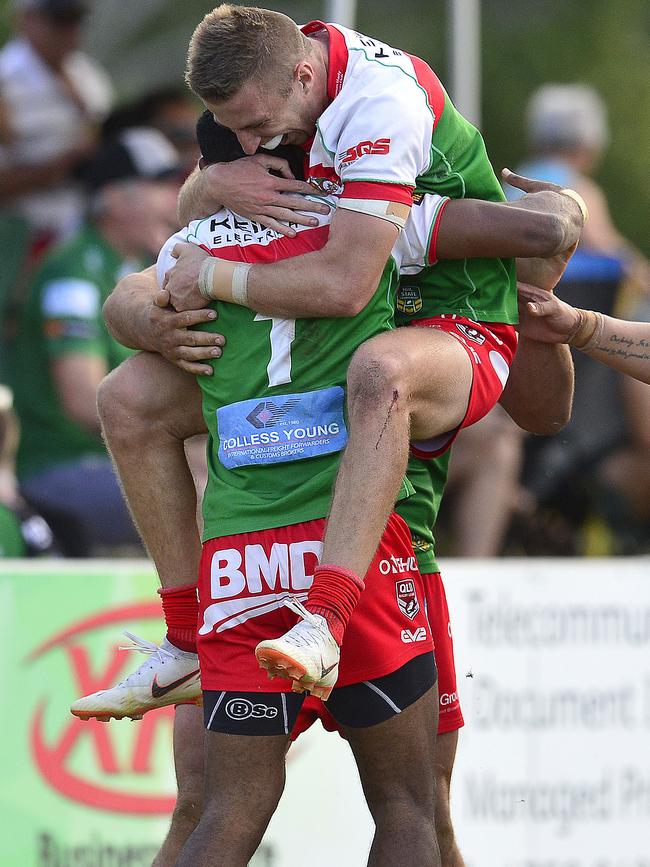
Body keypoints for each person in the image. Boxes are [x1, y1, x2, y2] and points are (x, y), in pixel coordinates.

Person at [72, 116, 579, 866]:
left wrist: (189, 242)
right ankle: (186, 633)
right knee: (410, 809)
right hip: (373, 562)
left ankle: (184, 633)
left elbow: (131, 347)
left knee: (223, 810)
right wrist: (559, 220)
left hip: (247, 564)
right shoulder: (388, 224)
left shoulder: (239, 237)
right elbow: (132, 307)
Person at [159, 6, 589, 693]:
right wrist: (207, 188)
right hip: (355, 325)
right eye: (230, 135)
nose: (242, 148)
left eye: (256, 132)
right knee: (127, 400)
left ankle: (326, 620)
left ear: (305, 82)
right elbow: (146, 277)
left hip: (440, 320)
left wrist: (565, 214)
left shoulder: (379, 120)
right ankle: (184, 636)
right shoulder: (272, 120)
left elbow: (345, 285)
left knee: (381, 373)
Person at [7, 127, 182, 555]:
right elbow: (83, 400)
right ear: (118, 200)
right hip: (63, 466)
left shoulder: (139, 264)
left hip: (116, 457)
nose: (176, 200)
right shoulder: (73, 271)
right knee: (203, 494)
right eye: (160, 186)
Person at [0, 0, 113, 251]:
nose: (69, 29)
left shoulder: (89, 76)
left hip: (84, 227)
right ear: (25, 19)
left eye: (75, 19)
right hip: (19, 235)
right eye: (59, 19)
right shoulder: (5, 81)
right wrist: (65, 164)